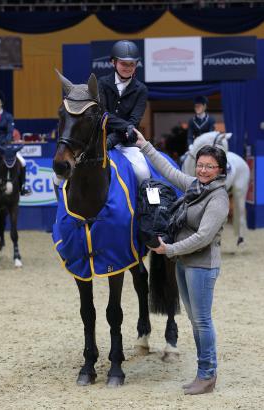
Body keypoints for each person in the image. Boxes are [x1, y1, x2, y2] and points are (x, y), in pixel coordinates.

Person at [134, 128, 229, 395]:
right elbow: (170, 172)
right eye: (200, 165)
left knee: (202, 321)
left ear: (220, 170)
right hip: (184, 264)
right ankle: (203, 373)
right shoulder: (196, 187)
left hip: (201, 265)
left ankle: (207, 374)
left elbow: (203, 237)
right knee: (195, 319)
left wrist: (170, 250)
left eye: (210, 167)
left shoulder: (218, 198)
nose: (203, 170)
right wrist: (145, 146)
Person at [98, 40, 150, 183]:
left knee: (143, 172)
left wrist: (112, 140)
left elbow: (134, 122)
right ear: (113, 62)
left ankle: (144, 204)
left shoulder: (141, 89)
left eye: (131, 64)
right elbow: (103, 114)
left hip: (126, 142)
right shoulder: (101, 83)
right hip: (98, 140)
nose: (128, 67)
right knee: (62, 174)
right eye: (123, 63)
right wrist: (125, 127)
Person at [0, 90, 31, 195]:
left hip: (5, 147)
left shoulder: (8, 116)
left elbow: (10, 133)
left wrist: (3, 144)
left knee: (22, 162)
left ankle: (22, 187)